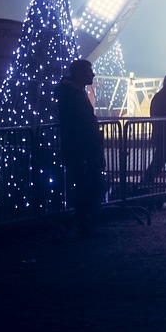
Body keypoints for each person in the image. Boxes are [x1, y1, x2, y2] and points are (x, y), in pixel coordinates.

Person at [56, 59, 104, 237]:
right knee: (90, 187)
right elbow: (76, 127)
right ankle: (80, 224)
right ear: (79, 74)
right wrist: (83, 155)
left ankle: (81, 224)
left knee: (89, 187)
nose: (92, 74)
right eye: (88, 71)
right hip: (82, 151)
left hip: (84, 151)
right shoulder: (72, 96)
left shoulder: (75, 93)